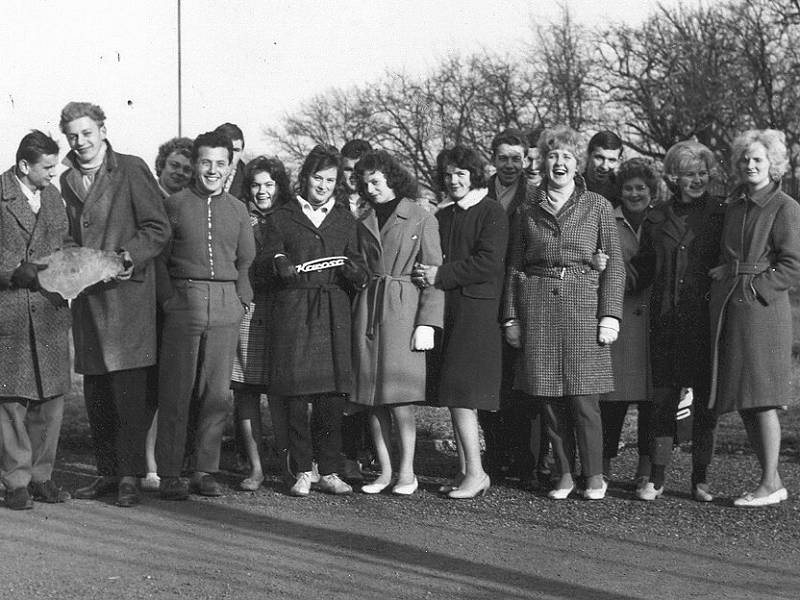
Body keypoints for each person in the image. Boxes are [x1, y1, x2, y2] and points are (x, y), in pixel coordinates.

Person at [503, 126, 624, 501]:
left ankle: (594, 476)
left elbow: (615, 265)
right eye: (553, 156)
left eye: (567, 157)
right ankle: (564, 474)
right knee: (549, 399)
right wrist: (511, 318)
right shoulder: (527, 208)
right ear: (544, 161)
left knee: (583, 398)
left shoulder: (598, 206)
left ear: (578, 164)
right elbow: (514, 266)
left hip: (583, 307)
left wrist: (610, 315)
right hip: (537, 306)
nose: (559, 163)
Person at [60, 102, 171, 508]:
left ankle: (129, 475)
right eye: (72, 135)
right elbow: (69, 235)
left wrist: (125, 257)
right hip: (89, 299)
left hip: (127, 297)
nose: (80, 142)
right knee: (98, 393)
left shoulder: (130, 168)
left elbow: (158, 227)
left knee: (129, 393)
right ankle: (107, 472)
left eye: (87, 133)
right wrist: (76, 262)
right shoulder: (66, 180)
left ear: (103, 130)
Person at [261, 144, 368, 497]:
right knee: (295, 393)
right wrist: (277, 263)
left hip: (332, 309)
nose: (322, 186)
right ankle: (302, 470)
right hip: (294, 308)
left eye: (330, 180)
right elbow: (265, 260)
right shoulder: (281, 217)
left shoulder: (344, 219)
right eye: (317, 178)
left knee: (331, 396)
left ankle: (331, 470)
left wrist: (355, 272)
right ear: (304, 178)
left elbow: (358, 266)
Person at [155, 131, 255, 500]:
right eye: (206, 162)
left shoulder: (238, 209)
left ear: (230, 167)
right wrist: (168, 299)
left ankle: (204, 470)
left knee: (216, 392)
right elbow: (160, 260)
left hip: (226, 302)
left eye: (220, 163)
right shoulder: (175, 204)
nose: (213, 170)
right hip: (184, 300)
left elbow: (246, 260)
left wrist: (242, 298)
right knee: (177, 389)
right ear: (196, 164)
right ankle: (169, 473)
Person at [709, 129, 800, 507]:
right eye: (745, 159)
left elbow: (792, 265)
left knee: (761, 397)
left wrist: (754, 289)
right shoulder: (736, 205)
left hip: (761, 312)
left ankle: (768, 483)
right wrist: (724, 272)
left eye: (758, 160)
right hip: (734, 306)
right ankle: (772, 480)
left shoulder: (785, 206)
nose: (750, 165)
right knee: (744, 396)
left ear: (773, 164)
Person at [414, 145, 508, 499]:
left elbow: (489, 263)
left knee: (463, 396)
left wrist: (440, 274)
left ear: (474, 176)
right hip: (450, 312)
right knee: (454, 396)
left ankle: (477, 472)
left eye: (461, 174)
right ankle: (468, 470)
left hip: (477, 315)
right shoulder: (444, 214)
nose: (453, 180)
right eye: (449, 175)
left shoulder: (491, 211)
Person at [351, 151, 444, 495]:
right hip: (369, 308)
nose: (370, 188)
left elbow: (434, 273)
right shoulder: (363, 219)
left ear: (392, 177)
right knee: (371, 396)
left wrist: (428, 323)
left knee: (400, 397)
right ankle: (385, 471)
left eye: (376, 180)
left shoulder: (421, 217)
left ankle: (407, 472)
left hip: (404, 309)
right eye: (365, 183)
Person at [636, 141, 724, 502]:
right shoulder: (656, 217)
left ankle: (700, 479)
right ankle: (655, 478)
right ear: (674, 177)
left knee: (706, 404)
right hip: (666, 325)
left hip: (705, 324)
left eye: (703, 173)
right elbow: (641, 269)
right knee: (662, 403)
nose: (698, 180)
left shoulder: (722, 213)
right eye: (690, 174)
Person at [0, 131, 74, 510]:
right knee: (12, 401)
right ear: (24, 166)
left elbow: (65, 245)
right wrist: (12, 271)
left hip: (49, 313)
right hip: (9, 313)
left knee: (50, 400)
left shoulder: (54, 197)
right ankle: (16, 482)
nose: (54, 171)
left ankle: (42, 477)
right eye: (47, 166)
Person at [231, 156, 292, 491]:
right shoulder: (241, 216)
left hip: (282, 308)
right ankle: (254, 468)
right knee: (246, 391)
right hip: (249, 308)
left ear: (279, 186)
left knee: (281, 392)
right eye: (256, 184)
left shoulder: (289, 217)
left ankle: (286, 466)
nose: (262, 191)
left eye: (269, 184)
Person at [480, 128, 538, 482]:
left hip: (520, 296)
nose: (510, 165)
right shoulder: (478, 195)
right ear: (493, 159)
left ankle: (526, 460)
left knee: (521, 381)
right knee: (491, 379)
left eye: (516, 158)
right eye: (503, 158)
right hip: (485, 297)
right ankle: (496, 453)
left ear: (526, 161)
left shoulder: (534, 198)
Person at [141, 135, 195, 493]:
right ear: (161, 165)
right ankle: (147, 465)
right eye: (174, 165)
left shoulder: (184, 206)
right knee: (145, 388)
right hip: (145, 303)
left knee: (171, 388)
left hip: (177, 304)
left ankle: (166, 462)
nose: (179, 172)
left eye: (187, 169)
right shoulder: (148, 199)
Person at [601, 158, 657, 487]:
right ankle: (602, 464)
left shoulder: (660, 219)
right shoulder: (608, 216)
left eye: (641, 188)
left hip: (652, 320)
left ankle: (646, 470)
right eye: (628, 188)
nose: (634, 194)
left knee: (652, 399)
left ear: (651, 191)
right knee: (612, 398)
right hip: (618, 316)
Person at [584, 130, 623, 202]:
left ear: (619, 161)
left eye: (611, 160)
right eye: (599, 158)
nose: (604, 166)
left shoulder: (622, 193)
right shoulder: (570, 186)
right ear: (588, 155)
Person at [341, 139, 373, 220]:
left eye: (358, 170)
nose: (353, 175)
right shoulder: (331, 203)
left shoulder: (379, 204)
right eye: (348, 169)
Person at [214, 122, 246, 200]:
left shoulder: (249, 183)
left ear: (242, 151)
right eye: (226, 148)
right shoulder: (195, 177)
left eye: (236, 150)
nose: (231, 155)